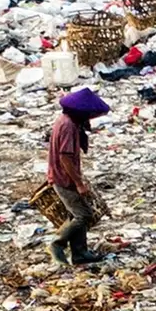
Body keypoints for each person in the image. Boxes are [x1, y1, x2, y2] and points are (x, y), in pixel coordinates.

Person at [36, 86, 111, 267]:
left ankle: (80, 253)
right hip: (64, 178)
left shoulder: (65, 120)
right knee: (83, 215)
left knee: (75, 214)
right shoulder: (68, 126)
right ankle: (57, 244)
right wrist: (78, 183)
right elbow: (65, 157)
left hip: (63, 176)